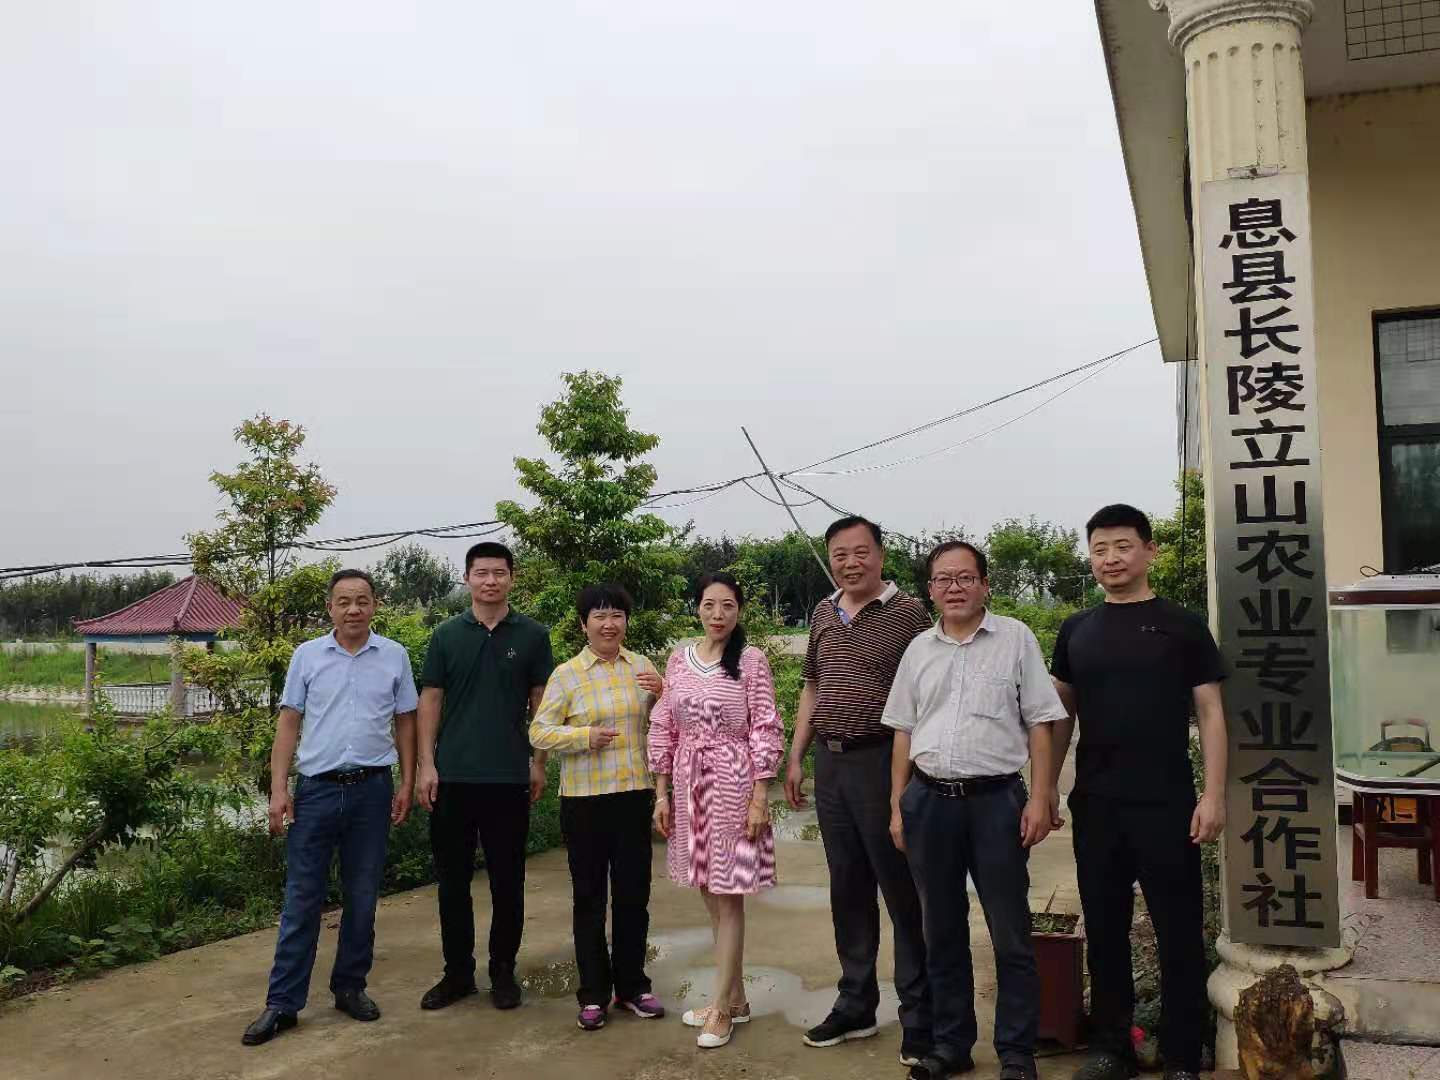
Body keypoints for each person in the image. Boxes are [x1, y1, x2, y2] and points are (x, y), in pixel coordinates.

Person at [1049, 504, 1227, 1080]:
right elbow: (1060, 716)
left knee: (1178, 930)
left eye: (1122, 546)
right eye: (1099, 550)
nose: (1110, 559)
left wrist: (1213, 795)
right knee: (1104, 927)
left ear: (1149, 551)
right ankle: (1112, 1048)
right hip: (1096, 803)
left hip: (1166, 801)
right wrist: (1044, 787)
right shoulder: (1076, 629)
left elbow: (1211, 712)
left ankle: (1182, 1054)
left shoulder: (1183, 625)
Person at [883, 541, 1067, 1080]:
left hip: (996, 804)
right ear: (930, 590)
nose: (954, 587)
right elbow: (903, 730)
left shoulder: (1015, 638)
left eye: (965, 577)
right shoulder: (919, 649)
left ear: (985, 585)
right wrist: (898, 805)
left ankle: (1016, 1051)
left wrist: (1040, 795)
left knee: (1010, 932)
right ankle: (952, 1045)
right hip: (928, 802)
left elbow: (1041, 721)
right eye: (943, 579)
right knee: (941, 932)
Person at [242, 569, 418, 1046]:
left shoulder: (395, 656)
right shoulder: (307, 655)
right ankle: (283, 1003)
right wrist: (279, 789)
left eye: (362, 600)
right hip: (316, 791)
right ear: (330, 608)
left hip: (372, 790)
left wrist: (407, 780)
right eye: (344, 601)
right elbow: (289, 722)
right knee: (302, 897)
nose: (353, 609)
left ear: (375, 605)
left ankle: (350, 987)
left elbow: (405, 722)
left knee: (363, 895)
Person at [784, 515, 934, 1067]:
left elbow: (925, 694)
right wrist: (796, 755)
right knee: (846, 887)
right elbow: (812, 685)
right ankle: (856, 1003)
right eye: (840, 554)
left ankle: (919, 1016)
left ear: (880, 555)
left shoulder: (909, 614)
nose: (850, 563)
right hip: (831, 764)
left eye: (860, 552)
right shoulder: (824, 611)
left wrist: (908, 780)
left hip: (883, 761)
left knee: (901, 890)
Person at [416, 542, 555, 1012]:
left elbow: (541, 705)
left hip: (508, 777)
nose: (490, 581)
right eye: (481, 573)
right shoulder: (445, 635)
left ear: (512, 578)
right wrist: (426, 764)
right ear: (467, 578)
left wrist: (538, 762)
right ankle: (457, 973)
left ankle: (503, 972)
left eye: (499, 572)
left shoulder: (533, 635)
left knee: (507, 882)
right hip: (452, 777)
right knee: (452, 883)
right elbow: (431, 701)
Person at [648, 573, 785, 1051]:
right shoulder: (679, 659)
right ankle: (737, 998)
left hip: (734, 783)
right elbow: (664, 724)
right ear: (698, 608)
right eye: (709, 605)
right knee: (709, 892)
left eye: (727, 605)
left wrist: (760, 796)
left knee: (729, 897)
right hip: (689, 785)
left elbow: (765, 726)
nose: (718, 614)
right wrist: (661, 792)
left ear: (739, 610)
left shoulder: (751, 660)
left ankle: (721, 1007)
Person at [529, 583, 667, 1032]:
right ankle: (592, 994)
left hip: (633, 795)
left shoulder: (642, 667)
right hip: (585, 802)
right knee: (589, 899)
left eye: (617, 616)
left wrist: (665, 693)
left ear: (626, 621)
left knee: (633, 896)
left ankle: (633, 987)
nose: (609, 624)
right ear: (584, 624)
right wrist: (583, 737)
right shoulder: (567, 675)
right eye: (600, 616)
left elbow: (665, 723)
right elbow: (539, 731)